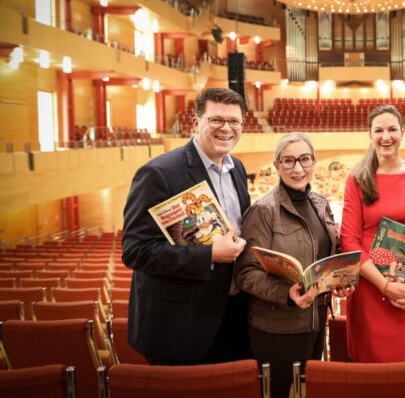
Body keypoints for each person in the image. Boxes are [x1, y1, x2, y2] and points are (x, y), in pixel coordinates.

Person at [122, 87, 251, 365]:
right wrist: (210, 254)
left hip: (232, 316)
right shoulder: (159, 173)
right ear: (196, 122)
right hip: (180, 324)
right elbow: (136, 251)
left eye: (234, 121)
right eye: (216, 120)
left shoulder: (237, 169)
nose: (226, 128)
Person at [235, 132, 352, 398]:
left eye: (304, 159)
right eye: (288, 161)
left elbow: (329, 254)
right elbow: (245, 274)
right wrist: (286, 293)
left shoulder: (321, 204)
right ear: (276, 166)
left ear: (314, 162)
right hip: (276, 326)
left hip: (315, 321)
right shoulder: (263, 211)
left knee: (308, 391)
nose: (297, 168)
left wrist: (340, 281)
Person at [341, 105, 405, 363]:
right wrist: (384, 285)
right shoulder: (357, 178)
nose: (386, 137)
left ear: (402, 132)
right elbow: (349, 241)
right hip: (369, 289)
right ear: (370, 135)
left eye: (392, 129)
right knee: (370, 367)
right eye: (379, 130)